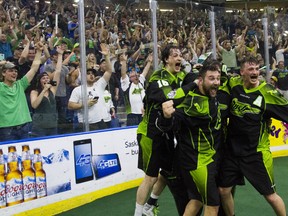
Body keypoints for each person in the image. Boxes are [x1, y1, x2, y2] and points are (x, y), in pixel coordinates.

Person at [218, 56, 288, 216]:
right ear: (242, 72)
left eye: (257, 69)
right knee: (223, 190)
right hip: (232, 152)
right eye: (250, 69)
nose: (255, 72)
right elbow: (222, 81)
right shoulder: (234, 84)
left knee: (270, 196)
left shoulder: (267, 92)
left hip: (255, 154)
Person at [134, 44, 196, 216]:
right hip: (150, 133)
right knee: (151, 177)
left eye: (180, 55)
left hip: (166, 134)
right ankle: (138, 213)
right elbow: (171, 97)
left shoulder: (178, 76)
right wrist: (193, 85)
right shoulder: (159, 76)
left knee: (168, 172)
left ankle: (149, 206)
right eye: (175, 55)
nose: (179, 58)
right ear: (166, 59)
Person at [157, 63, 221, 216]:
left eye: (218, 78)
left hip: (204, 159)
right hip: (198, 163)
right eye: (211, 78)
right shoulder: (192, 103)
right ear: (201, 80)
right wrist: (166, 117)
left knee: (197, 199)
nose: (216, 82)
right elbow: (167, 120)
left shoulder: (209, 93)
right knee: (212, 205)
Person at [0, 42, 43, 142]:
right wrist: (2, 63)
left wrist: (39, 51)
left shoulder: (20, 84)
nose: (14, 73)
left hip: (24, 127)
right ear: (3, 73)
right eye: (10, 71)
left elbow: (34, 67)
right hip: (6, 129)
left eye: (15, 71)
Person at [68, 43, 112, 131]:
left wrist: (106, 56)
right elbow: (70, 105)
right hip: (86, 124)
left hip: (101, 122)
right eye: (88, 74)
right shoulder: (78, 89)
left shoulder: (99, 85)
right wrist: (84, 105)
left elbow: (109, 71)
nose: (91, 75)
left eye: (92, 73)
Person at [30, 46, 64, 137]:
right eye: (43, 78)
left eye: (47, 78)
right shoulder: (34, 92)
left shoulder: (52, 89)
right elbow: (34, 105)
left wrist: (60, 55)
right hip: (39, 126)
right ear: (39, 81)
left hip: (52, 125)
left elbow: (57, 71)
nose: (46, 79)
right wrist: (44, 90)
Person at [120, 53, 152, 126]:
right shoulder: (127, 85)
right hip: (132, 115)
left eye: (136, 75)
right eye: (133, 75)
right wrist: (124, 62)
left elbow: (145, 72)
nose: (136, 76)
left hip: (143, 113)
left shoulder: (141, 82)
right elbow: (123, 73)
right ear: (130, 78)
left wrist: (149, 62)